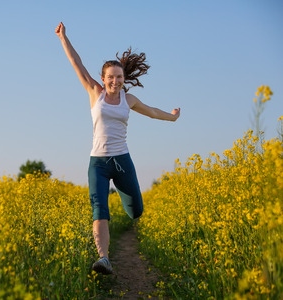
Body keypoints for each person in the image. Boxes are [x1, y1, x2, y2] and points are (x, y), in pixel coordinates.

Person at [55, 22, 181, 275]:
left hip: (122, 159)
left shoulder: (129, 99)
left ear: (124, 80)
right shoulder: (95, 92)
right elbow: (76, 63)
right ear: (103, 79)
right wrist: (63, 38)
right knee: (99, 209)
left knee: (136, 210)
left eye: (119, 77)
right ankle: (104, 258)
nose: (114, 81)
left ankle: (130, 217)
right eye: (110, 77)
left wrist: (172, 116)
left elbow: (152, 112)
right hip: (98, 163)